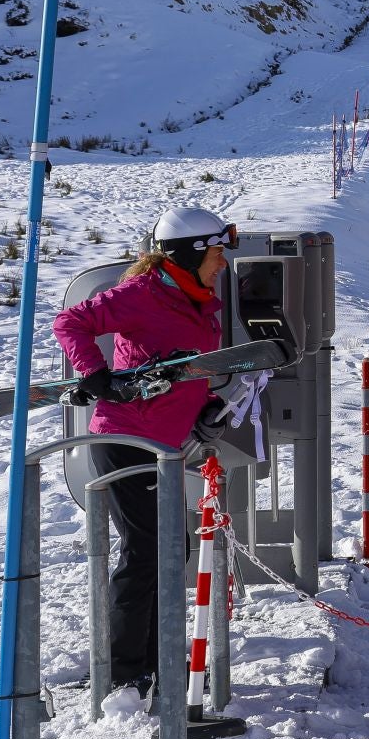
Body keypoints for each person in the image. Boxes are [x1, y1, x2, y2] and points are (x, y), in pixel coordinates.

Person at [52, 206, 238, 696]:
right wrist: (95, 375)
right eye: (217, 253)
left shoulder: (196, 300)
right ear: (188, 253)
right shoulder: (142, 294)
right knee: (146, 551)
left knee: (166, 546)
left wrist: (207, 404)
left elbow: (179, 369)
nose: (223, 265)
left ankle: (155, 660)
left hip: (164, 440)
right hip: (126, 438)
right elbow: (71, 322)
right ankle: (122, 671)